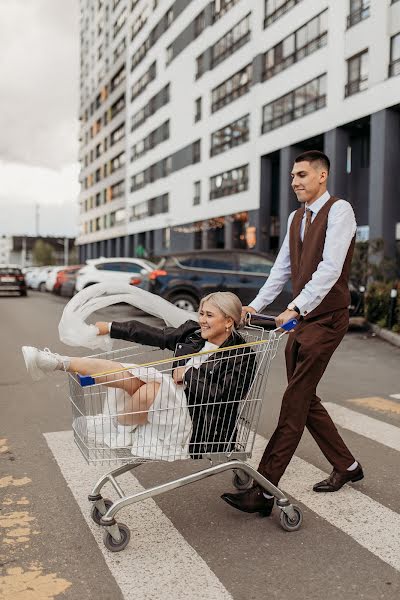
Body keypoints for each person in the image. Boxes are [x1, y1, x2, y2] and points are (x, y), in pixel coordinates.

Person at [221, 150, 363, 518]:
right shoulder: (296, 217)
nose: (295, 181)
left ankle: (264, 491)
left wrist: (296, 306)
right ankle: (347, 466)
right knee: (305, 397)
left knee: (294, 401)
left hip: (327, 319)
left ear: (322, 176)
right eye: (292, 176)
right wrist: (254, 305)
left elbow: (331, 268)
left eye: (302, 174)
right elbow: (281, 269)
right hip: (301, 321)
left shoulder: (340, 211)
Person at [22, 292, 256, 455]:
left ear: (228, 321)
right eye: (201, 313)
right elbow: (155, 334)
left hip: (199, 420)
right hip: (171, 401)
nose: (202, 320)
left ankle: (121, 428)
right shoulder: (193, 333)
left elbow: (222, 397)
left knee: (151, 386)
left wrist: (188, 375)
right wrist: (112, 328)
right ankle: (58, 362)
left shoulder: (243, 355)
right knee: (134, 375)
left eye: (209, 315)